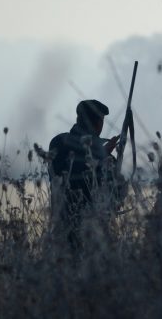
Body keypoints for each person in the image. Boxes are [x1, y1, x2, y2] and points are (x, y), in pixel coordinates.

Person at [48, 99, 122, 249]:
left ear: (78, 119)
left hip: (74, 234)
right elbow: (67, 173)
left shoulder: (57, 142)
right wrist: (102, 156)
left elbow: (117, 196)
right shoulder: (62, 143)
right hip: (82, 236)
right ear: (98, 124)